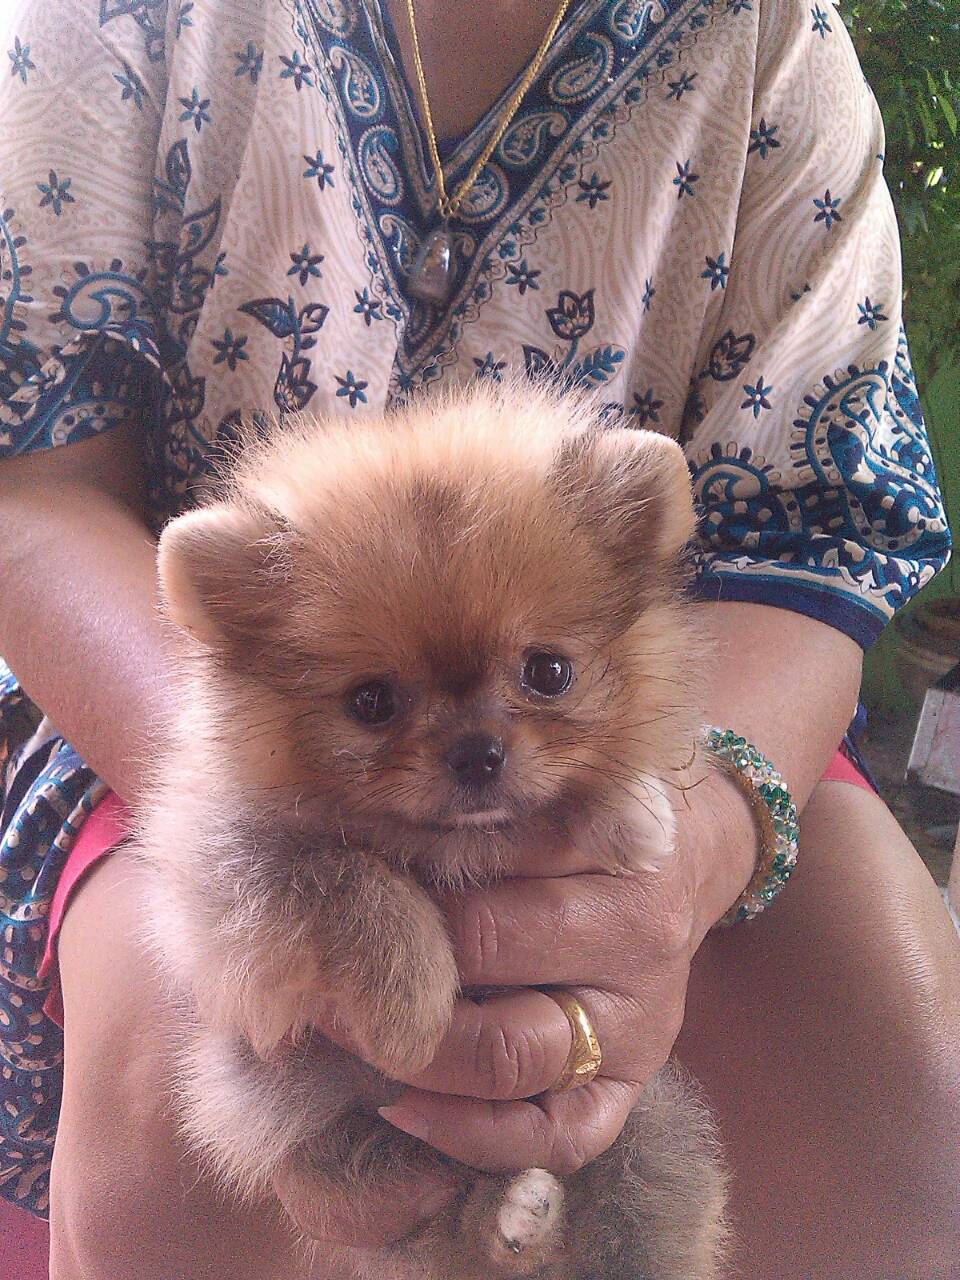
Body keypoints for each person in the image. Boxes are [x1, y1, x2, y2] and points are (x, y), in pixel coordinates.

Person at [0, 1, 958, 1277]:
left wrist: (697, 839)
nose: (472, 742)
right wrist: (263, 812)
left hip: (678, 710)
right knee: (159, 1148)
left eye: (528, 675)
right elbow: (31, 490)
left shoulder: (772, 39)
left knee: (911, 1108)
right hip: (188, 706)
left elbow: (814, 539)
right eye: (397, 704)